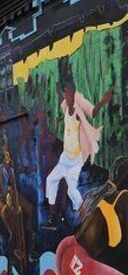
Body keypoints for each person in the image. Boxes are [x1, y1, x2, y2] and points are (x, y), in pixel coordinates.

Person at [44, 81, 113, 229]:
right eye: (65, 94)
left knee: (71, 191)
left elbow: (93, 113)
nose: (67, 97)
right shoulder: (64, 107)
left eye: (70, 94)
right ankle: (52, 218)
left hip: (75, 160)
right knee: (51, 180)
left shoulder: (77, 112)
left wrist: (103, 101)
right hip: (65, 158)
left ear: (73, 94)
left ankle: (85, 214)